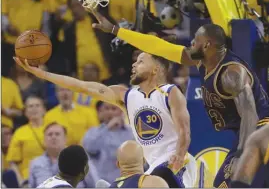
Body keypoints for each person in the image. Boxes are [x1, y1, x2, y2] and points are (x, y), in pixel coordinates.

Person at [87, 10, 269, 187]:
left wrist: (241, 154)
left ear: (207, 45)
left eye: (195, 40)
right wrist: (115, 30)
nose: (190, 42)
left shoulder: (231, 73)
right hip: (248, 134)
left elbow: (250, 115)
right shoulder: (203, 61)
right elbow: (159, 47)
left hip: (260, 131)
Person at [14, 50, 197, 187]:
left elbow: (185, 131)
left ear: (156, 69)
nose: (134, 64)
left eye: (140, 61)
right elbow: (82, 86)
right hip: (151, 168)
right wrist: (42, 74)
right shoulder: (125, 95)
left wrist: (179, 156)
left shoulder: (170, 92)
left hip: (176, 165)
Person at [29, 122, 67, 187]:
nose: (53, 137)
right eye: (50, 134)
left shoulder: (79, 161)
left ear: (65, 139)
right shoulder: (35, 162)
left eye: (57, 134)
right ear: (44, 140)